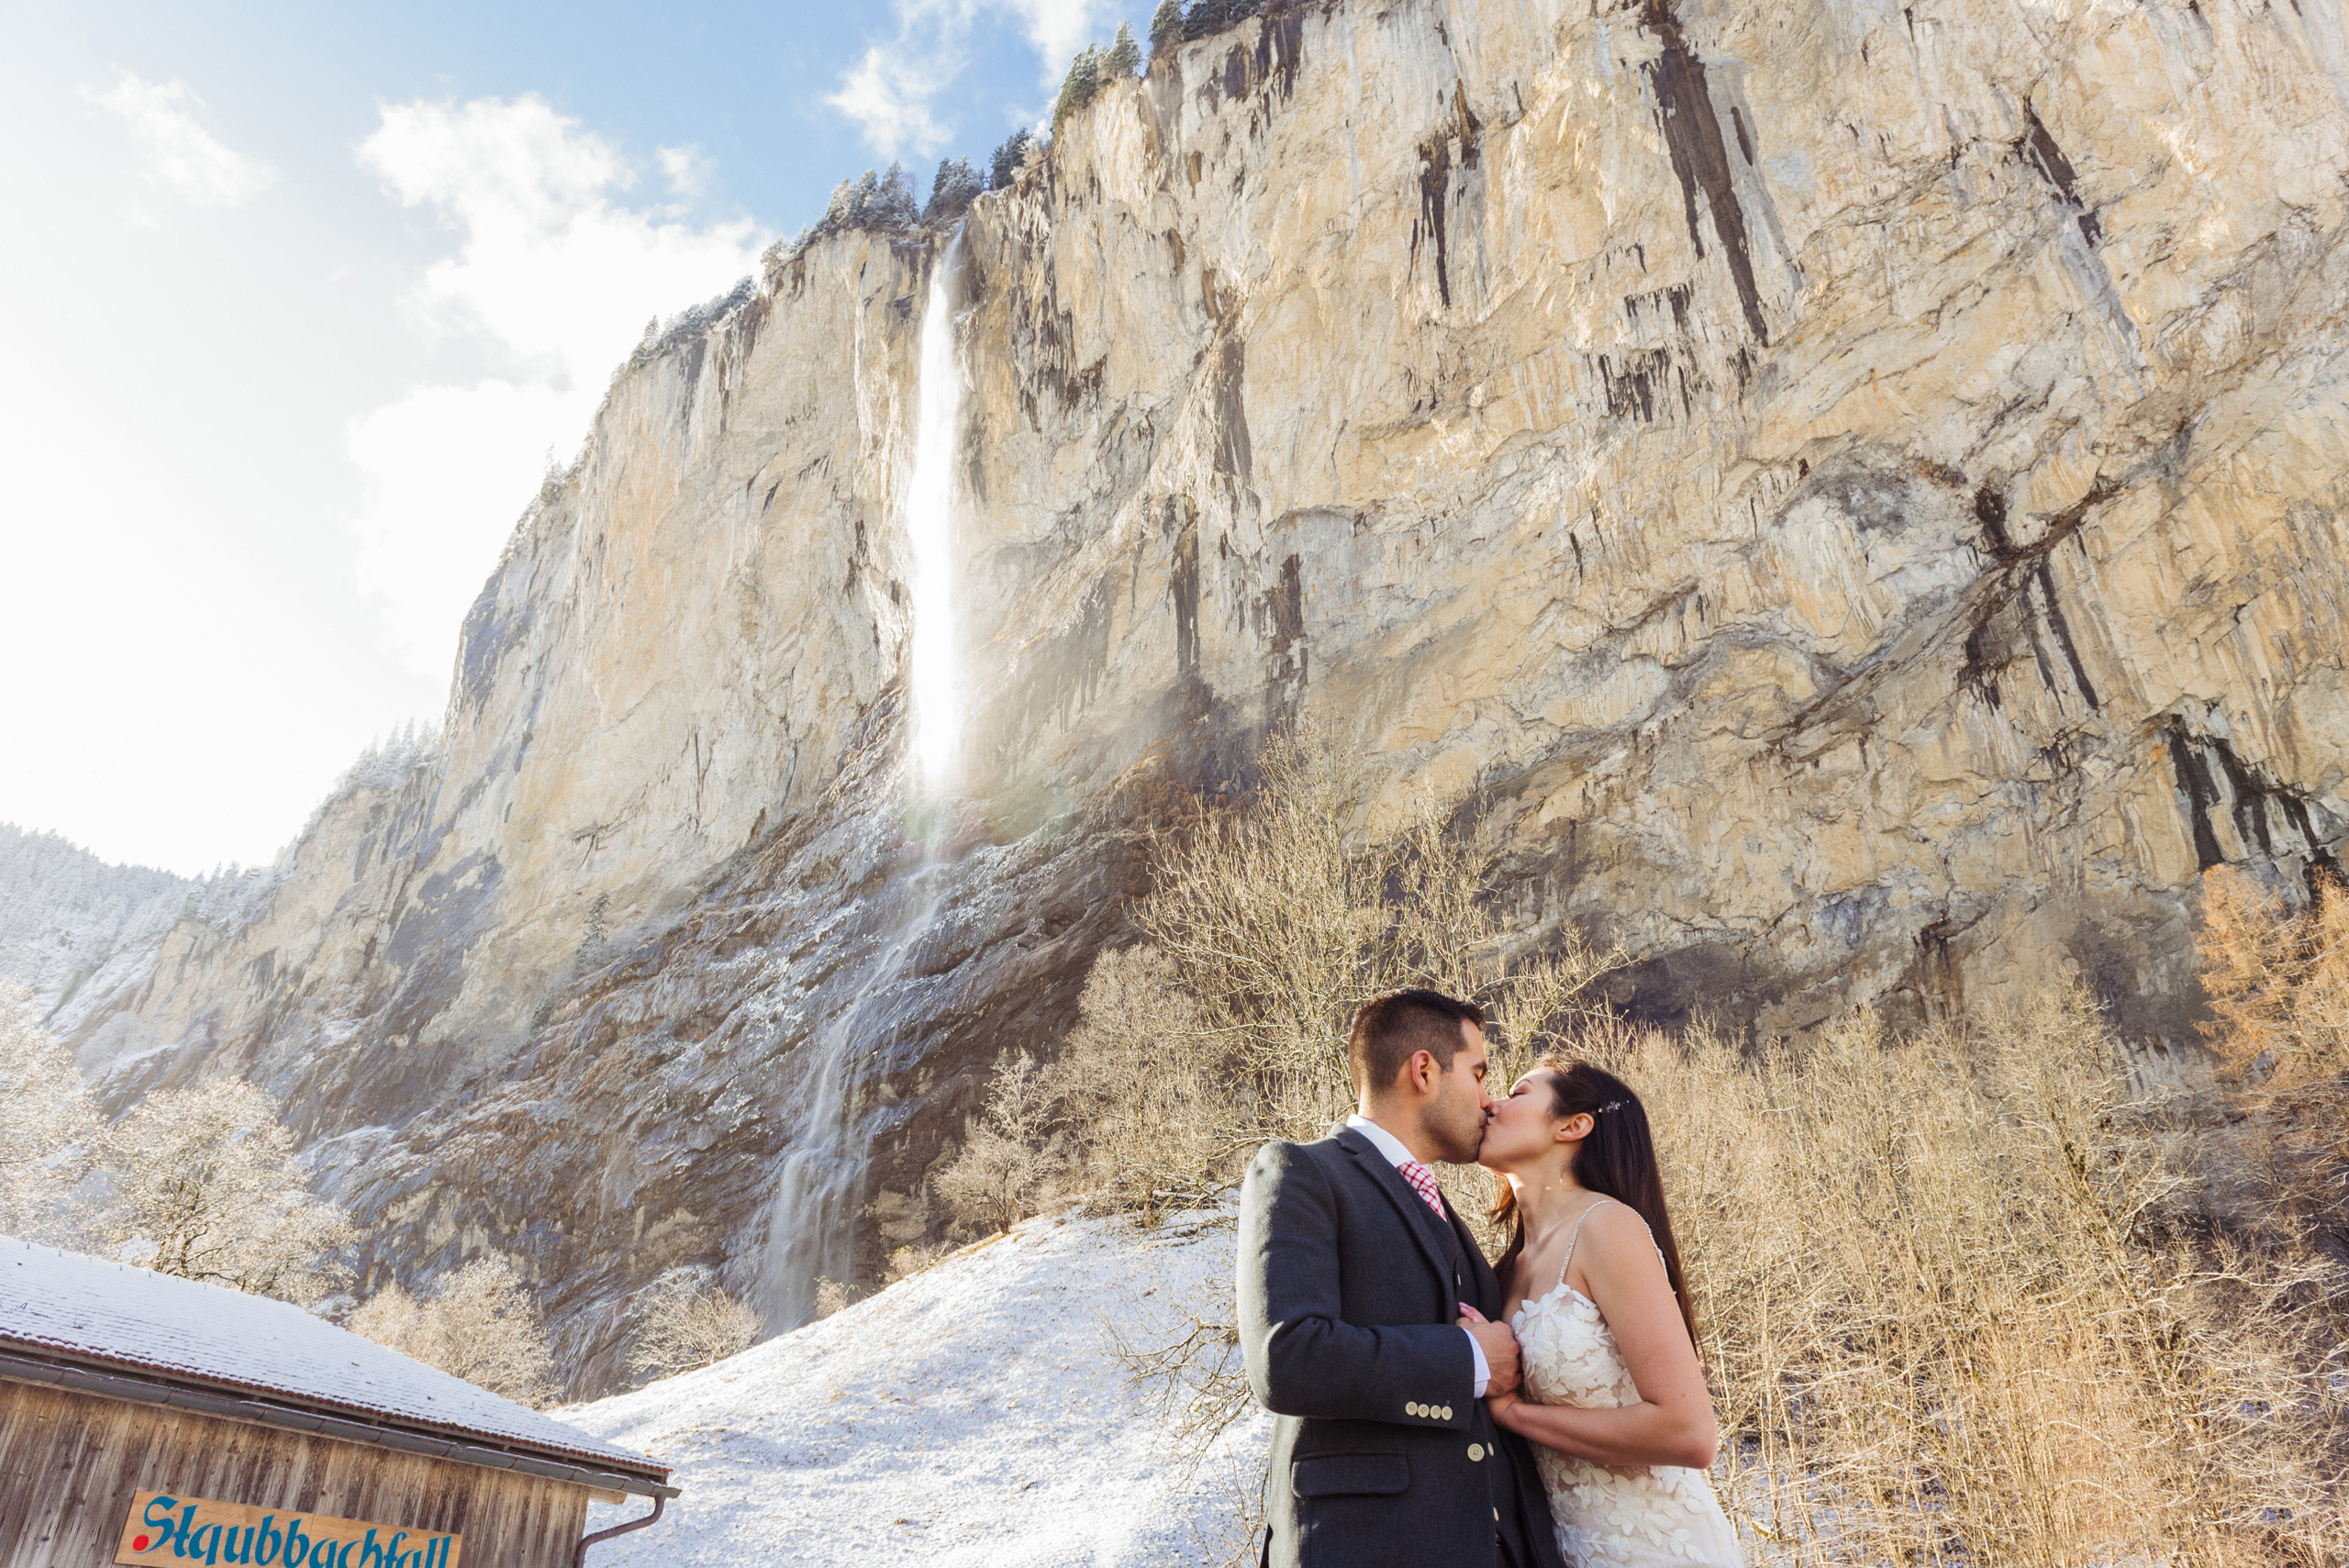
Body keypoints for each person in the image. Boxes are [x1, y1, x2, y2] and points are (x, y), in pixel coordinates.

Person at [1237, 989, 1568, 1568]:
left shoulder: (1444, 1210)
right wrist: (1469, 1360)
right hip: (1364, 1548)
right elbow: (1286, 1357)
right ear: (1423, 1071)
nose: (1488, 1100)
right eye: (1478, 1074)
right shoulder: (1302, 1171)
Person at [1476, 1059, 1743, 1567]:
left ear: (1572, 1125)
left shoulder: (1606, 1226)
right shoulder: (1505, 1271)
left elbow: (1689, 1432)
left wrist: (1515, 1414)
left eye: (1518, 1092)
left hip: (1658, 1550)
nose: (1492, 1103)